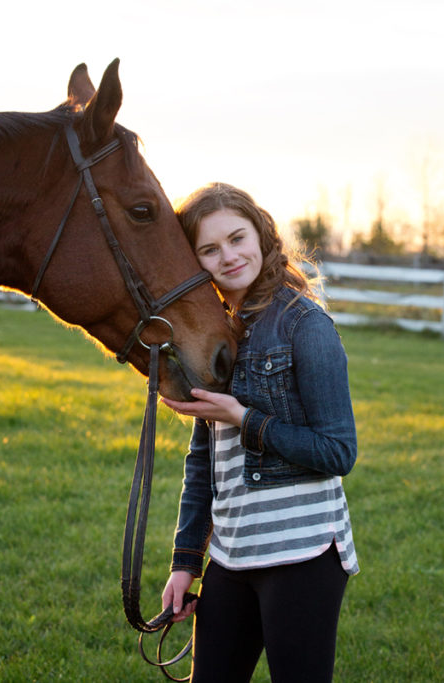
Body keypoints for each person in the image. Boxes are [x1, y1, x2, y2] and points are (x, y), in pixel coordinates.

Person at [159, 182, 358, 682]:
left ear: (262, 235)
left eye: (236, 238)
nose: (227, 257)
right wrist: (185, 562)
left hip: (303, 553)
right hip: (230, 553)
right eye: (209, 249)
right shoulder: (213, 336)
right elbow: (202, 467)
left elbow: (338, 451)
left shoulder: (304, 324)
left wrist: (244, 419)